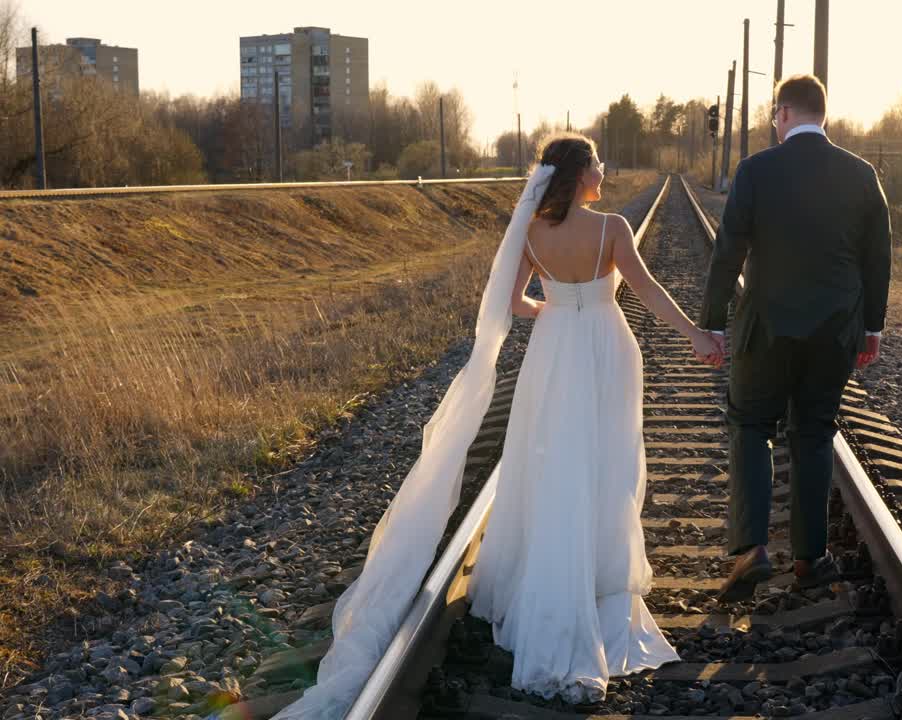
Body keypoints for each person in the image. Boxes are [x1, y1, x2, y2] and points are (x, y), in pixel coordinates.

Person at [273, 134, 721, 718]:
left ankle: (550, 580)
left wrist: (558, 306)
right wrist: (694, 334)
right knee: (605, 464)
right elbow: (648, 291)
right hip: (607, 351)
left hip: (552, 353)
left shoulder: (531, 232)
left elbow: (513, 303)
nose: (603, 170)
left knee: (556, 465)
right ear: (580, 174)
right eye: (597, 163)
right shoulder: (611, 228)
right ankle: (597, 580)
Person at [699, 74, 892, 603]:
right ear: (822, 115)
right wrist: (871, 326)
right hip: (835, 330)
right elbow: (879, 256)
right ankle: (810, 559)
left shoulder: (756, 170)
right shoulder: (860, 174)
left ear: (783, 113)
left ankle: (752, 552)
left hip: (766, 326)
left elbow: (728, 249)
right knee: (814, 431)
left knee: (751, 423)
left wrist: (712, 322)